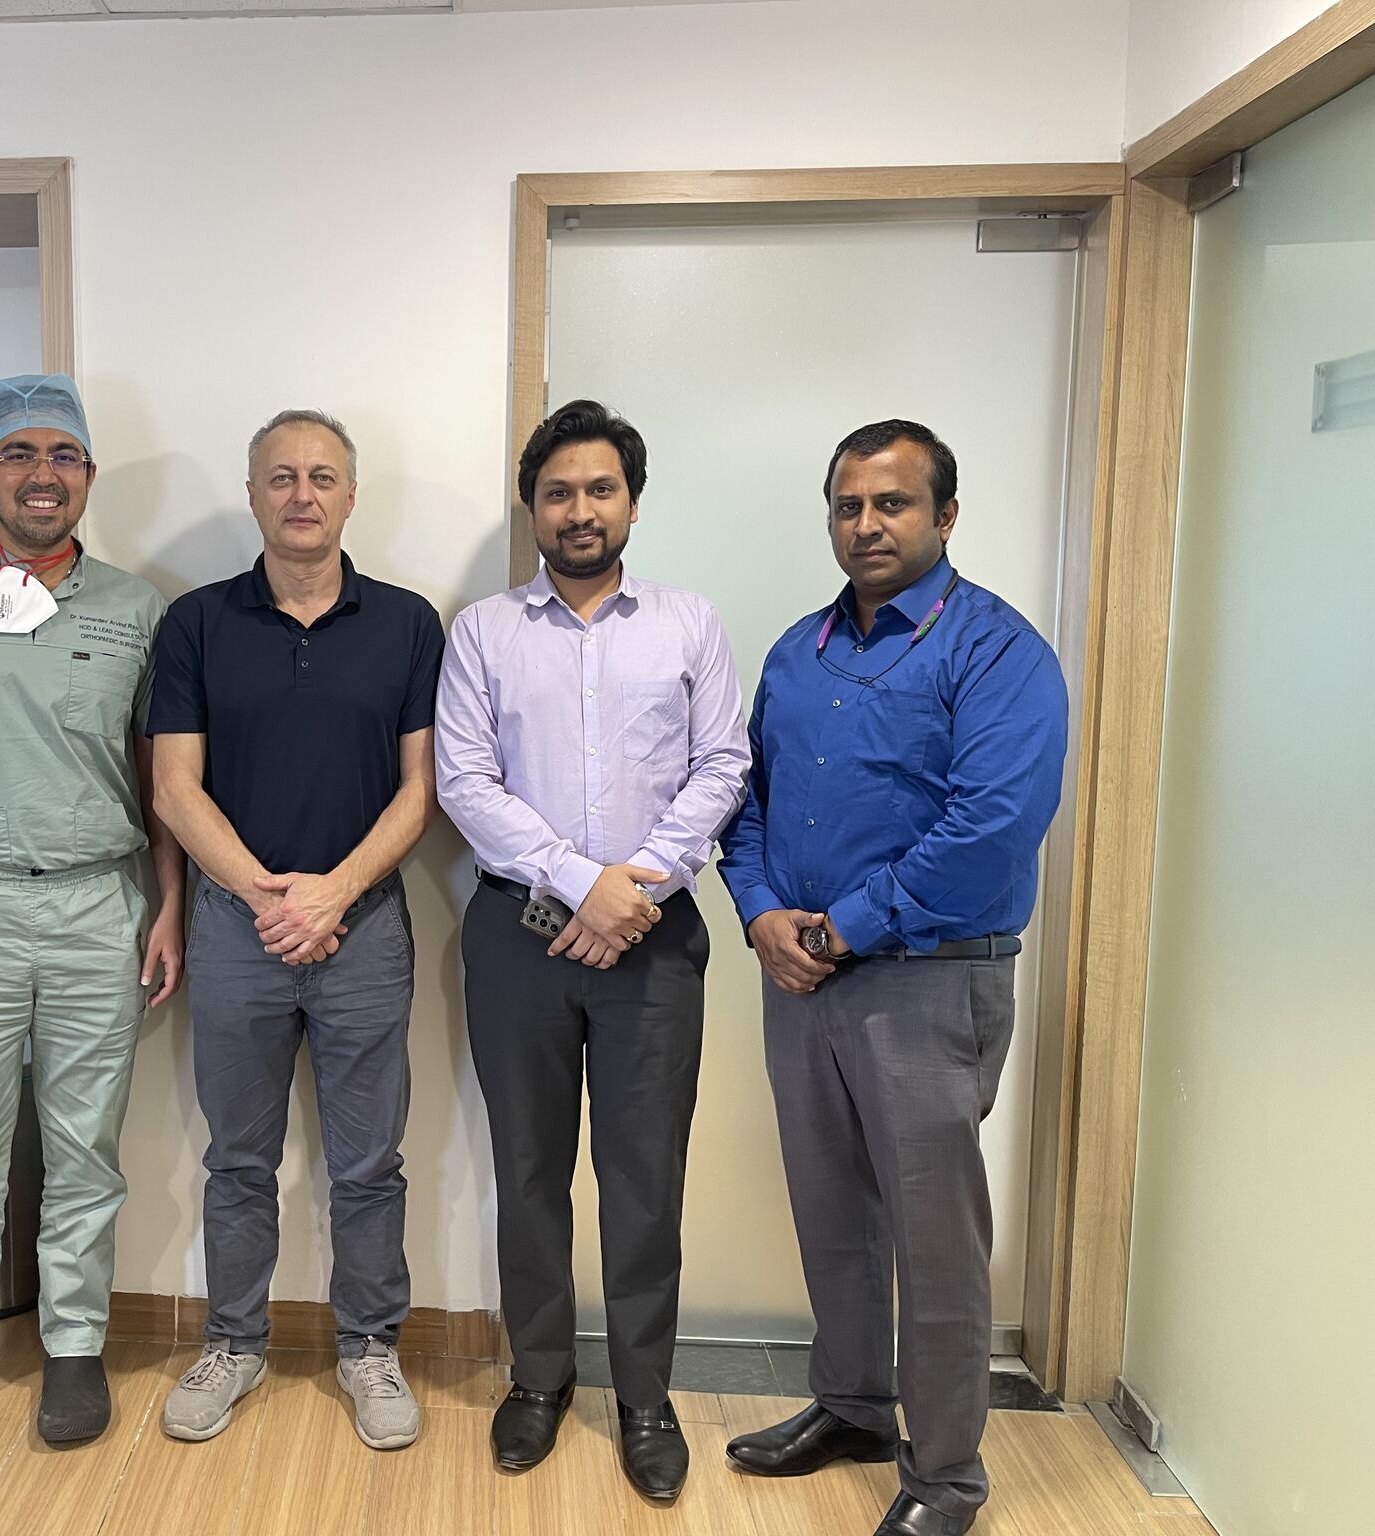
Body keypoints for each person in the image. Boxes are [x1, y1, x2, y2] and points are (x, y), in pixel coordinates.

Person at [718, 420, 1068, 1536]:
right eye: (845, 506)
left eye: (890, 504)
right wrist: (764, 914)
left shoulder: (995, 650)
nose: (863, 525)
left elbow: (992, 826)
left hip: (927, 980)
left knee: (933, 1238)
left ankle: (946, 1477)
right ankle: (854, 1407)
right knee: (832, 1216)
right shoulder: (794, 651)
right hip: (800, 979)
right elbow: (746, 799)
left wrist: (840, 930)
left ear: (943, 517)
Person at [435, 399, 749, 1501]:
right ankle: (536, 1380)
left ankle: (646, 1398)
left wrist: (636, 888)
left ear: (630, 501)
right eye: (558, 491)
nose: (579, 509)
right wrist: (582, 883)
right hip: (518, 935)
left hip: (655, 942)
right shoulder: (480, 632)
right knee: (525, 1169)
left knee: (641, 1176)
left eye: (599, 489)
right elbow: (463, 783)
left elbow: (722, 766)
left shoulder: (687, 624)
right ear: (532, 506)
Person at [0, 374, 183, 1451]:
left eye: (63, 455)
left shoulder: (137, 609)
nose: (41, 474)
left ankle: (72, 1345)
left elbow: (163, 781)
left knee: (82, 1146)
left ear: (88, 476)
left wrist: (168, 907)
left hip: (98, 902)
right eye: (19, 454)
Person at [149, 409, 442, 1451]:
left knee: (368, 1163)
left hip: (364, 931)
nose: (302, 493)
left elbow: (421, 791)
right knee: (237, 1158)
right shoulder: (194, 623)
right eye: (281, 476)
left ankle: (368, 1348)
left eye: (322, 476)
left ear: (351, 496)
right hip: (237, 930)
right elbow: (175, 790)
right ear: (253, 493)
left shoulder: (408, 623)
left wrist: (332, 895)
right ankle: (233, 1342)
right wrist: (271, 899)